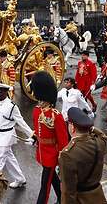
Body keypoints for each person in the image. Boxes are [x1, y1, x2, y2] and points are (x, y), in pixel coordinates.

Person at [30, 71, 68, 204]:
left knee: (44, 186)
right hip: (42, 152)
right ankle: (62, 197)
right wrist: (35, 137)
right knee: (53, 179)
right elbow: (38, 130)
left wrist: (62, 161)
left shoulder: (55, 115)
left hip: (52, 155)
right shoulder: (36, 110)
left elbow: (63, 142)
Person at [58, 107, 107, 204]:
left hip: (81, 200)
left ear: (72, 127)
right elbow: (106, 139)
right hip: (98, 197)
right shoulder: (99, 143)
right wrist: (93, 129)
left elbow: (68, 193)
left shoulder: (68, 154)